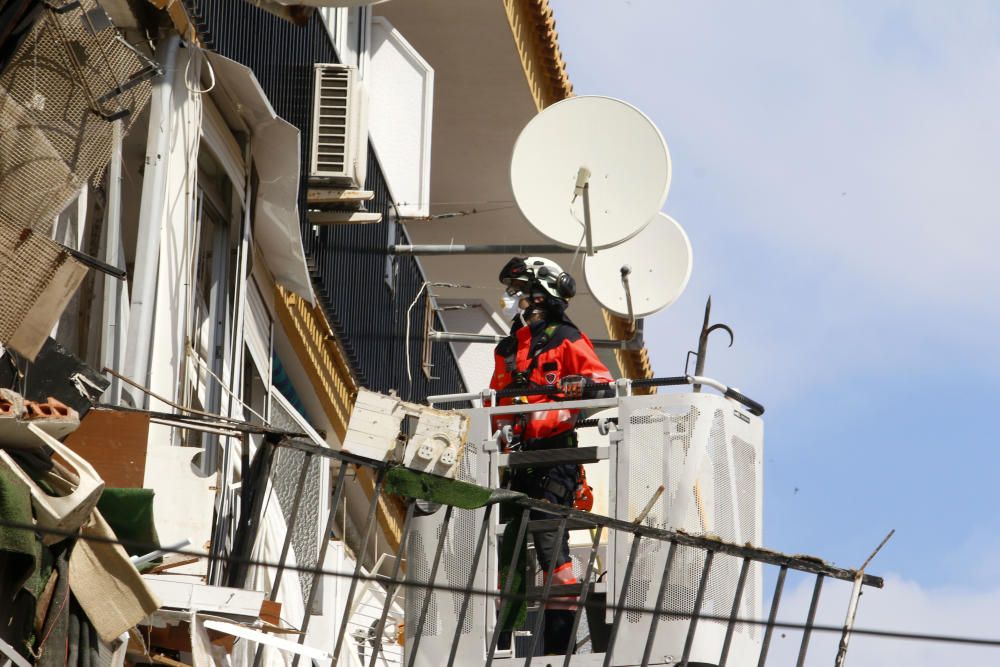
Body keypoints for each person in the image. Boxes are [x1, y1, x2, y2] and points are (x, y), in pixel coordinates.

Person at [490, 256, 613, 655]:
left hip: (556, 454)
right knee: (502, 547)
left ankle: (557, 649)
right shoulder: (508, 348)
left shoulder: (567, 338)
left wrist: (580, 388)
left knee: (549, 547)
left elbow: (604, 384)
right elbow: (496, 400)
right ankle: (501, 643)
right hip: (514, 458)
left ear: (541, 296)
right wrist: (500, 428)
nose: (517, 301)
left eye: (522, 293)